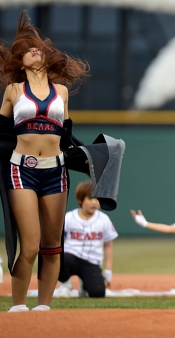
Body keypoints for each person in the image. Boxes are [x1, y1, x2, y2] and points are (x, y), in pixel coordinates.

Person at [0, 11, 88, 312]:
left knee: (52, 246)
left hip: (56, 171)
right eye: (26, 50)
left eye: (36, 47)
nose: (33, 51)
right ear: (19, 61)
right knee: (31, 245)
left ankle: (43, 309)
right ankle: (18, 306)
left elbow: (66, 135)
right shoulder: (13, 91)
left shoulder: (61, 92)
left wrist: (85, 154)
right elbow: (1, 133)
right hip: (21, 170)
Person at [56, 181, 117, 298]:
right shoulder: (69, 217)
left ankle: (85, 286)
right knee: (58, 257)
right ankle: (66, 285)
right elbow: (57, 240)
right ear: (80, 199)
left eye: (97, 198)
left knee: (98, 293)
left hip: (92, 262)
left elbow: (108, 245)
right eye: (90, 198)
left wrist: (108, 270)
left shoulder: (104, 219)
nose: (94, 202)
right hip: (71, 257)